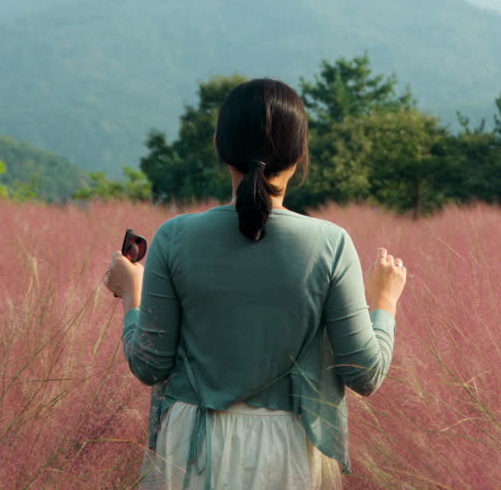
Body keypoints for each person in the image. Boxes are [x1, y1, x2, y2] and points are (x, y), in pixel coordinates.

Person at [103, 78, 408, 490]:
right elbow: (365, 373)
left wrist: (131, 294)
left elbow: (148, 364)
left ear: (219, 145)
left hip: (190, 451)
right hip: (289, 453)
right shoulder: (331, 244)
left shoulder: (174, 237)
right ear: (300, 152)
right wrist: (385, 301)